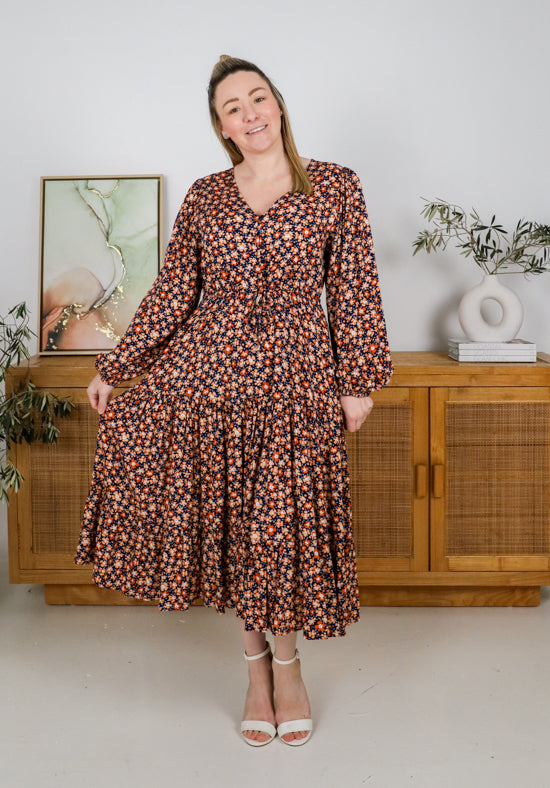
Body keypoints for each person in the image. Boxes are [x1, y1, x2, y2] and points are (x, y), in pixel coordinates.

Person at [74, 54, 393, 747]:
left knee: (277, 530)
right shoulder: (206, 195)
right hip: (207, 374)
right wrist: (118, 364)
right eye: (232, 108)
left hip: (296, 380)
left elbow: (355, 288)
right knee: (230, 528)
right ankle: (256, 673)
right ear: (221, 128)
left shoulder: (335, 185)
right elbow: (173, 293)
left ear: (277, 104)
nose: (250, 114)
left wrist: (357, 379)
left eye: (257, 99)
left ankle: (289, 667)